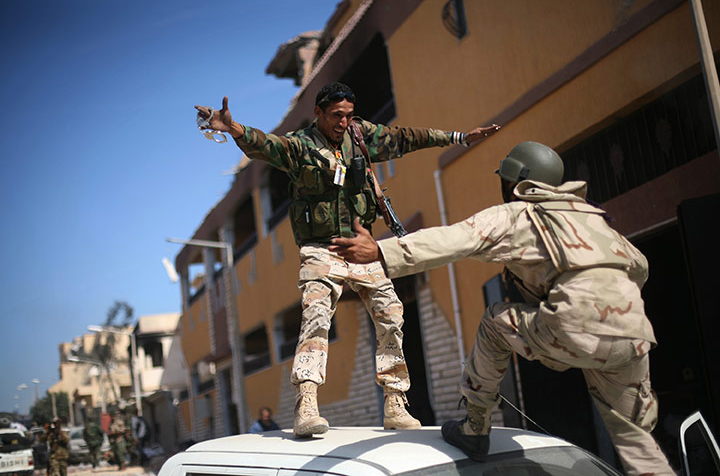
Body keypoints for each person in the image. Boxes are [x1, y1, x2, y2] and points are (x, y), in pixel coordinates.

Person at [329, 141, 674, 475]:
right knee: (636, 439)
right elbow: (639, 265)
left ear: (514, 183)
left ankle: (475, 427)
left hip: (574, 328)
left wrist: (381, 252)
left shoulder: (517, 215)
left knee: (495, 321)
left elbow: (453, 240)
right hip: (634, 337)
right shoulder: (595, 219)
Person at [195, 82, 500, 438]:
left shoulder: (360, 135)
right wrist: (233, 128)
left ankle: (395, 402)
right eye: (336, 115)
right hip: (320, 248)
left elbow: (406, 138)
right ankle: (306, 403)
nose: (343, 122)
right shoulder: (302, 146)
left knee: (391, 313)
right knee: (316, 318)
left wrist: (459, 137)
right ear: (319, 114)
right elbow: (268, 146)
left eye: (348, 115)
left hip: (361, 245)